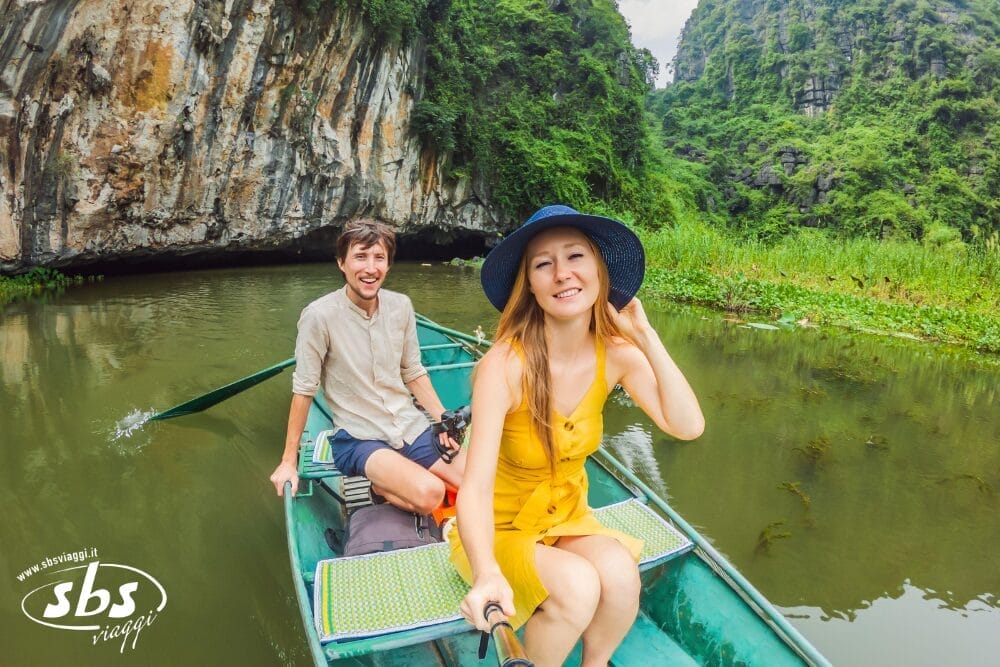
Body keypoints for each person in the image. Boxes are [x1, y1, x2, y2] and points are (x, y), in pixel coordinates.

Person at [450, 205, 704, 667]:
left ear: (598, 269)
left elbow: (686, 426)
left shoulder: (617, 353)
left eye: (576, 257)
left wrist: (645, 336)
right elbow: (475, 487)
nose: (562, 274)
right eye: (544, 264)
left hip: (566, 519)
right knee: (579, 587)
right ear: (529, 284)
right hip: (497, 530)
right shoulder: (504, 367)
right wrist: (487, 573)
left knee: (622, 576)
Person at [269, 219, 465, 514]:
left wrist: (443, 420)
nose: (370, 268)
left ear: (387, 265)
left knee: (475, 484)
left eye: (379, 258)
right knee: (431, 494)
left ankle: (402, 473)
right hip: (358, 437)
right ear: (341, 263)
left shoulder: (401, 307)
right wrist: (288, 461)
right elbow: (305, 389)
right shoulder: (318, 317)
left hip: (408, 425)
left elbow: (412, 371)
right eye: (360, 257)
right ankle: (379, 487)